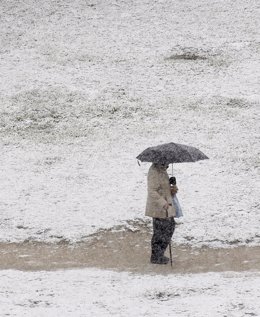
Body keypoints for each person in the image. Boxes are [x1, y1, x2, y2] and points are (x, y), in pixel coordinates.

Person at [145, 163, 178, 264]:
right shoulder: (154, 171)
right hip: (158, 207)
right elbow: (152, 191)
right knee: (160, 232)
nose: (168, 162)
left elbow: (163, 188)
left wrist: (171, 185)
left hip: (166, 207)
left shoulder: (162, 170)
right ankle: (156, 257)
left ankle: (159, 254)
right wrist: (163, 203)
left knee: (169, 228)